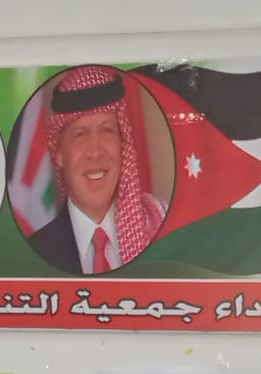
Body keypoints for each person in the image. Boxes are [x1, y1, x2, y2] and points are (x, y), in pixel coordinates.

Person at [25, 65, 169, 274]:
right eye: (80, 134)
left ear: (123, 144)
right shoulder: (34, 254)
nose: (95, 152)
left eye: (107, 131)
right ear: (60, 154)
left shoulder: (161, 227)